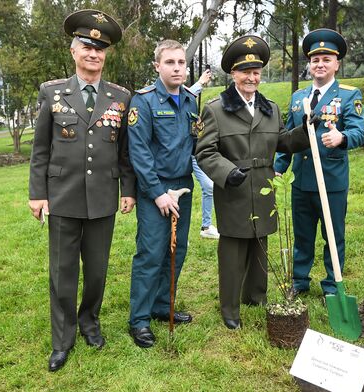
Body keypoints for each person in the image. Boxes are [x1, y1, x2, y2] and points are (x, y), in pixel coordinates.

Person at [28, 9, 136, 372]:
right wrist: (37, 194)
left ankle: (90, 322)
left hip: (104, 197)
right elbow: (40, 149)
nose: (93, 53)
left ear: (106, 55)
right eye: (86, 47)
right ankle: (63, 339)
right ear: (73, 52)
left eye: (99, 49)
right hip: (62, 195)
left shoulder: (121, 97)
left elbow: (124, 150)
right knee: (62, 272)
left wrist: (128, 189)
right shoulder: (52, 93)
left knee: (97, 271)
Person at [195, 35, 309, 330]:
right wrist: (225, 171)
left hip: (263, 186)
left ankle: (255, 296)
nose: (251, 77)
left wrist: (308, 130)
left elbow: (282, 141)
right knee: (233, 249)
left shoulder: (270, 108)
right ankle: (230, 307)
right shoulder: (216, 109)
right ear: (233, 74)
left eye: (256, 72)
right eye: (245, 72)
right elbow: (205, 151)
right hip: (233, 188)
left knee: (260, 242)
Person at [274, 29, 364, 297]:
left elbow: (359, 131)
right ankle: (299, 281)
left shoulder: (349, 95)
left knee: (333, 235)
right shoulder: (298, 98)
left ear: (337, 64)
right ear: (309, 65)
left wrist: (342, 137)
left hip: (331, 179)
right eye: (315, 60)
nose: (320, 64)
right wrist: (279, 167)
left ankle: (331, 285)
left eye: (326, 59)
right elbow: (289, 138)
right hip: (302, 181)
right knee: (302, 235)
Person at [127, 40, 197, 348]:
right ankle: (139, 319)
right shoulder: (143, 102)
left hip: (183, 187)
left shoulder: (192, 100)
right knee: (151, 254)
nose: (177, 68)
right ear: (158, 66)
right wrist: (157, 193)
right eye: (170, 62)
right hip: (155, 190)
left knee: (176, 250)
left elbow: (198, 144)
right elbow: (139, 152)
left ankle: (162, 305)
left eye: (181, 62)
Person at [189, 69, 220, 239]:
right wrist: (200, 83)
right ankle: (175, 232)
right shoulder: (178, 97)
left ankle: (206, 226)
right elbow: (187, 94)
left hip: (195, 154)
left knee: (209, 186)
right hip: (178, 155)